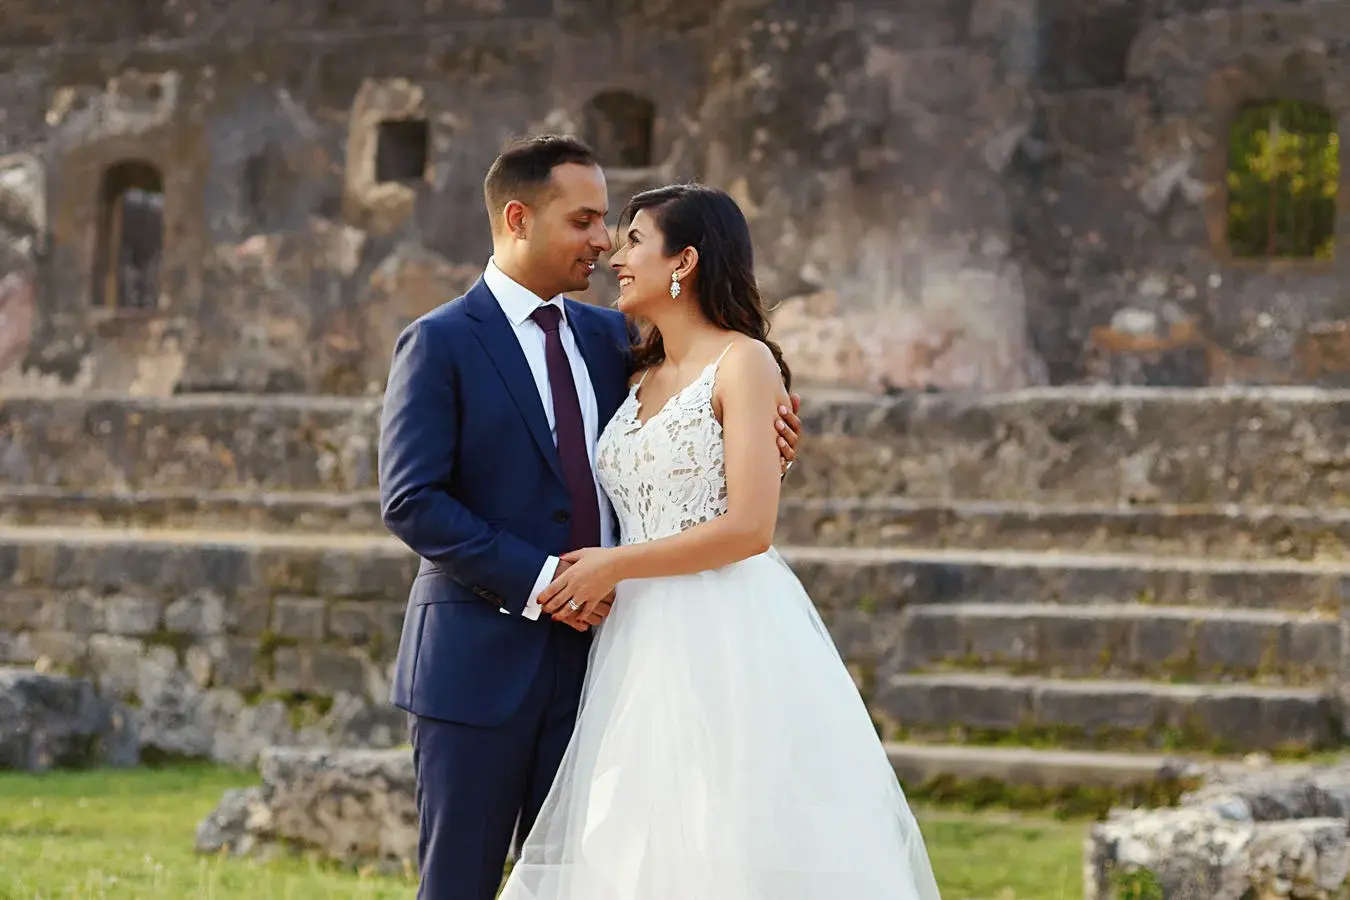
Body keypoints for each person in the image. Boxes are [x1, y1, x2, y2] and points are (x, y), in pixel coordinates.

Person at [377, 136, 804, 900]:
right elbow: (412, 500)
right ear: (518, 218)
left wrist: (769, 438)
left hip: (607, 669)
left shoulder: (618, 339)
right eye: (584, 221)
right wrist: (547, 580)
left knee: (586, 883)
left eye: (611, 223)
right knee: (458, 885)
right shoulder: (439, 342)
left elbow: (689, 429)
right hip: (475, 665)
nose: (603, 241)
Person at [496, 183, 943, 900]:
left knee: (728, 833)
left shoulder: (744, 363)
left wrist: (615, 564)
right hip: (637, 638)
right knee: (635, 834)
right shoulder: (635, 371)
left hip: (723, 627)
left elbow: (749, 528)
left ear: (687, 261)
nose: (614, 252)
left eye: (635, 238)